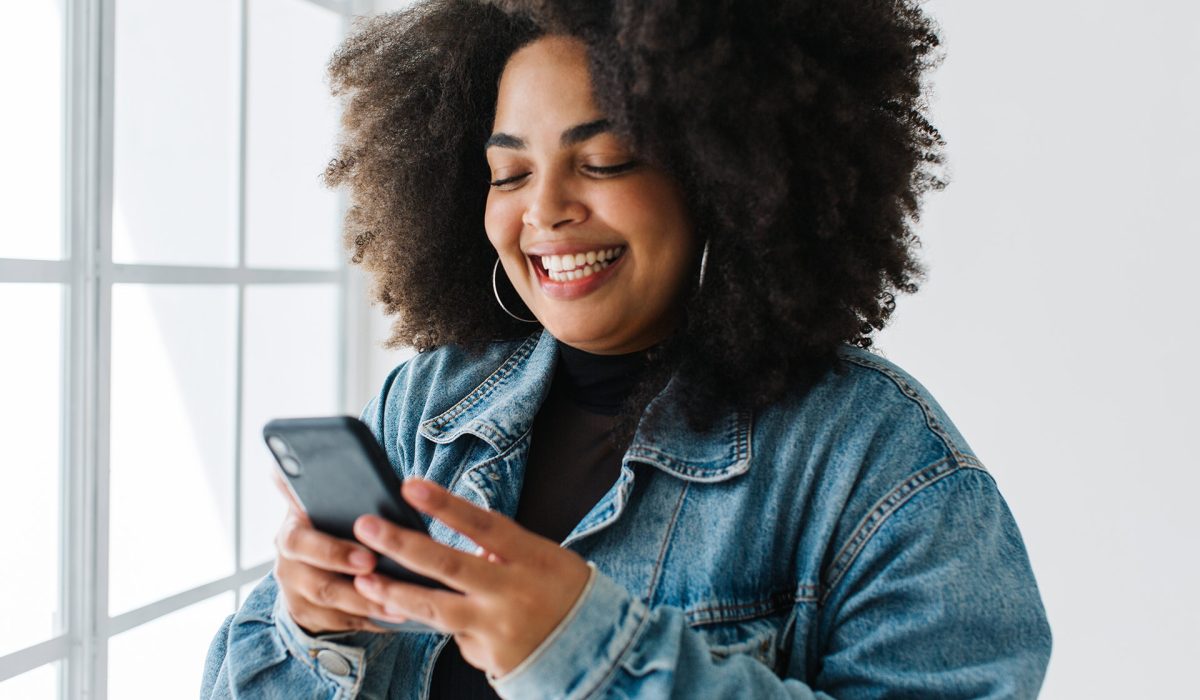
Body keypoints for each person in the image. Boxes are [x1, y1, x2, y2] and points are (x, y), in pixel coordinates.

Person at [202, 0, 1052, 697]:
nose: (545, 210)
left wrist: (588, 655)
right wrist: (310, 628)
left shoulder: (877, 460)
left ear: (726, 175)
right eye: (509, 174)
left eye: (605, 160)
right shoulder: (424, 405)